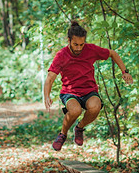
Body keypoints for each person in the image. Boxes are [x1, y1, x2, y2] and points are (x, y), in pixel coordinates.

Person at [44, 21, 133, 151]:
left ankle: (79, 128)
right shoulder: (61, 55)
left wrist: (124, 72)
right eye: (75, 44)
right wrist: (46, 95)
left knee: (95, 107)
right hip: (70, 92)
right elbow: (50, 78)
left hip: (89, 91)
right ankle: (62, 134)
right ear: (69, 40)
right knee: (75, 111)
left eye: (81, 44)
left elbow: (113, 53)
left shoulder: (91, 50)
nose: (79, 48)